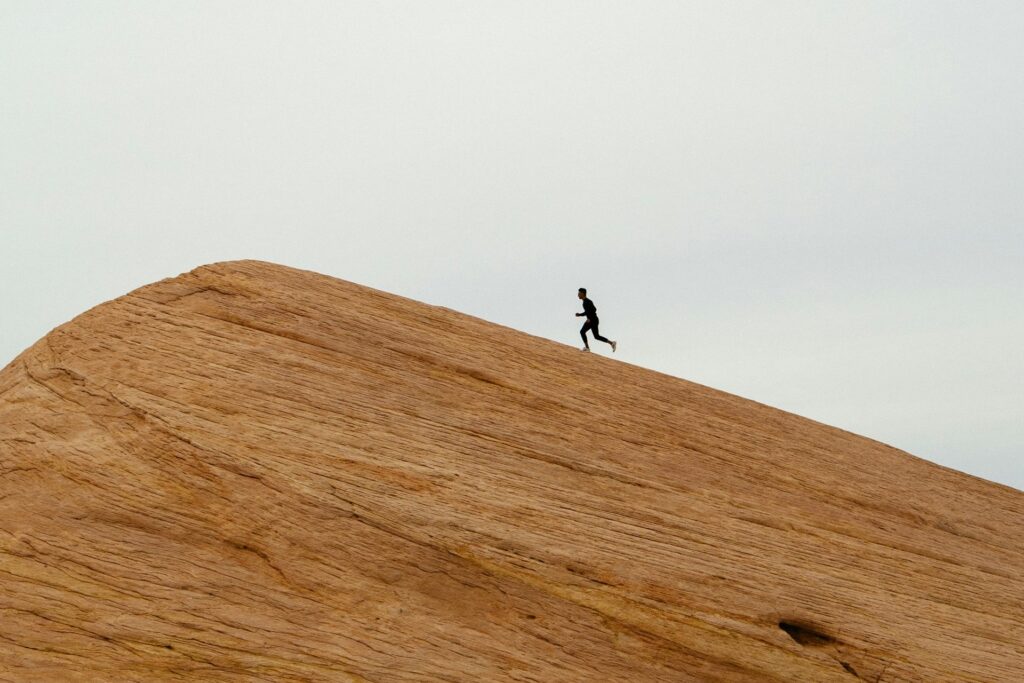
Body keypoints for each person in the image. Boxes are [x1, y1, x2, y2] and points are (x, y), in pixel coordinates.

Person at [575, 288, 617, 353]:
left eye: (579, 293)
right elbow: (590, 311)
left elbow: (594, 310)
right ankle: (612, 343)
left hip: (593, 320)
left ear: (583, 294)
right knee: (596, 336)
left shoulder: (587, 302)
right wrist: (582, 315)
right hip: (594, 320)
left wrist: (588, 318)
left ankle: (587, 348)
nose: (578, 295)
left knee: (582, 331)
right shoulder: (585, 302)